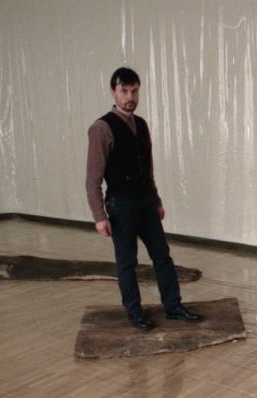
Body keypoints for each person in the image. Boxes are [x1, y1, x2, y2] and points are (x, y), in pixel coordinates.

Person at [85, 67, 203, 331]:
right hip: (121, 205)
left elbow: (147, 169)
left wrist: (157, 200)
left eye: (134, 91)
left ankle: (173, 306)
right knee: (127, 262)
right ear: (113, 92)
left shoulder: (141, 124)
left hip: (146, 203)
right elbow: (93, 178)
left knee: (162, 256)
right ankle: (135, 313)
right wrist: (99, 217)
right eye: (124, 91)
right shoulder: (101, 128)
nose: (130, 97)